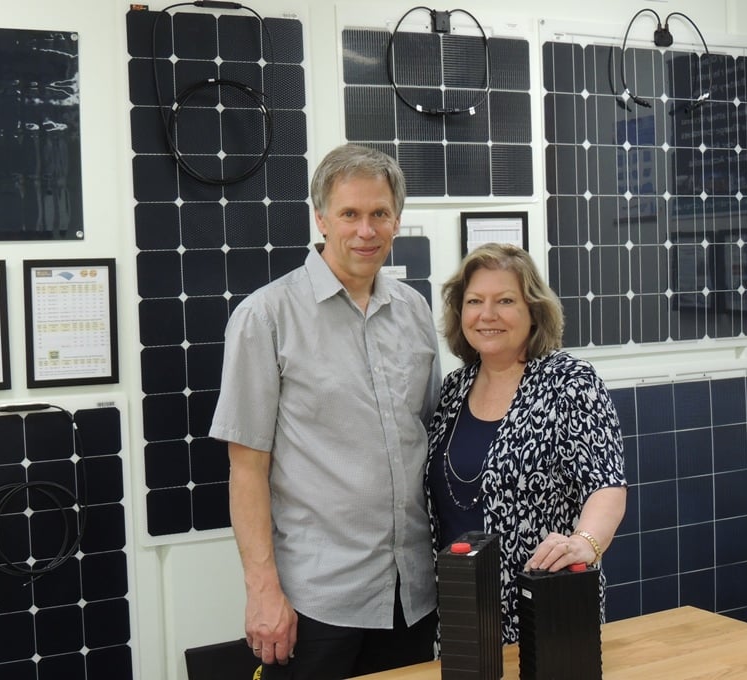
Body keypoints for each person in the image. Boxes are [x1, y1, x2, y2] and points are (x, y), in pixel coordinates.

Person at [209, 144, 442, 679]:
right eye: (350, 214)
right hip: (318, 600)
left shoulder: (414, 310)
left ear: (396, 220)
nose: (367, 230)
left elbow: (428, 437)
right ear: (321, 218)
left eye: (379, 213)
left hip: (411, 594)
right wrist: (263, 592)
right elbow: (246, 469)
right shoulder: (265, 317)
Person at [425, 242, 627, 645]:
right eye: (474, 301)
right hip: (460, 616)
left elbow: (606, 485)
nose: (487, 315)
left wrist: (584, 543)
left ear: (533, 310)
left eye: (505, 300)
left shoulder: (569, 381)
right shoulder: (453, 389)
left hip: (545, 609)